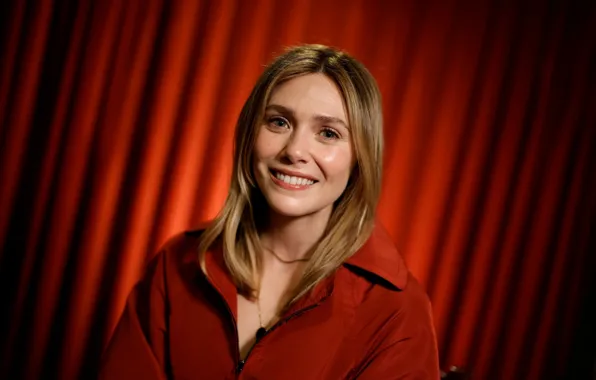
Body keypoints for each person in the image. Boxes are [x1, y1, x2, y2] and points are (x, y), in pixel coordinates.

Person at [99, 44, 440, 379]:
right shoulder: (180, 262)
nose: (294, 151)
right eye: (279, 122)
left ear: (360, 158)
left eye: (328, 133)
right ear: (250, 134)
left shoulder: (396, 311)